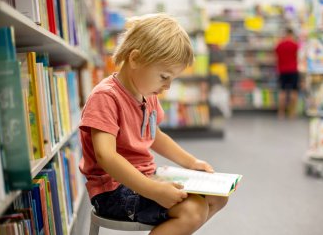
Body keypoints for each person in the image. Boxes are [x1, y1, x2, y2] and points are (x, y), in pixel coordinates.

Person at [79, 13, 228, 235]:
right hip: (112, 190)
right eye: (164, 76)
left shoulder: (147, 95)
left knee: (219, 197)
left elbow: (154, 135)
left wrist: (191, 162)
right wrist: (153, 190)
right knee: (193, 210)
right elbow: (105, 156)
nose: (167, 86)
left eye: (172, 79)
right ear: (135, 59)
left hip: (146, 177)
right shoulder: (105, 97)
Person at [275, 28, 300, 119]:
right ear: (291, 34)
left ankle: (281, 113)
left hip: (282, 70)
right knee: (294, 91)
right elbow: (298, 56)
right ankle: (292, 113)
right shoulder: (295, 45)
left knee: (282, 92)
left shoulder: (279, 45)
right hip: (293, 70)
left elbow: (276, 55)